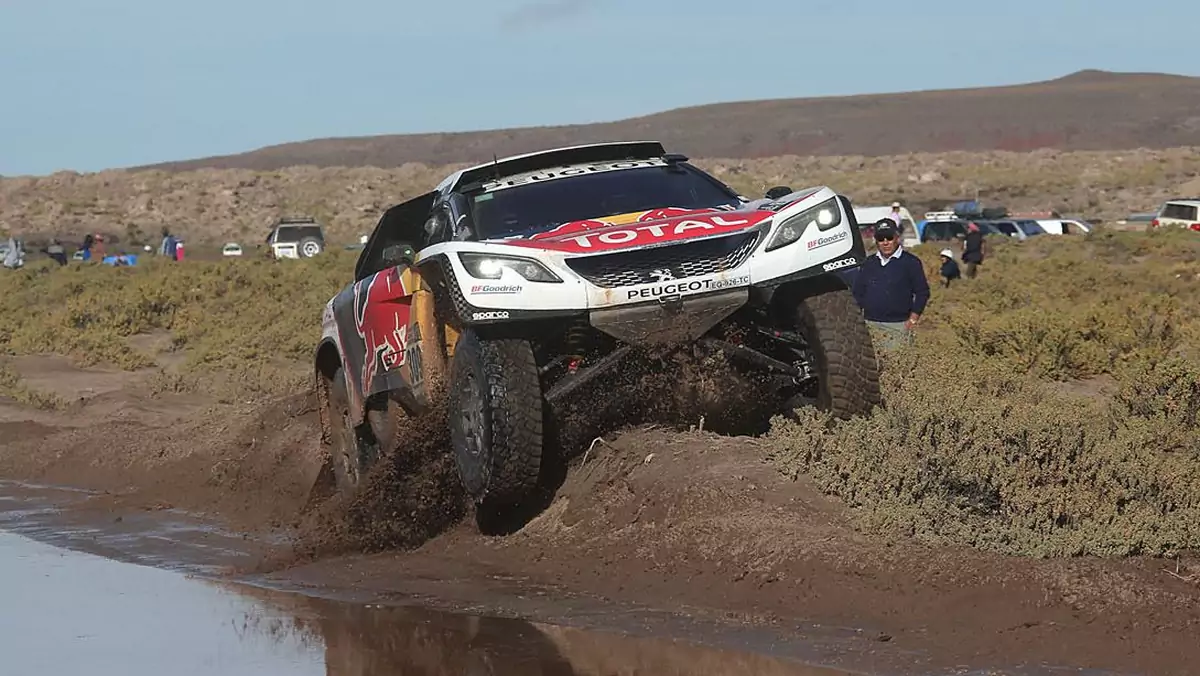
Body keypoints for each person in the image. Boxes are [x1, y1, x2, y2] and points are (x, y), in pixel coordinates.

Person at [852, 220, 930, 351]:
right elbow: (857, 293)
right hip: (870, 326)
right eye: (881, 238)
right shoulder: (868, 263)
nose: (885, 242)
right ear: (876, 241)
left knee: (899, 367)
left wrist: (912, 320)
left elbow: (923, 292)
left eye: (889, 237)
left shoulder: (911, 262)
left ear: (897, 238)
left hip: (898, 326)